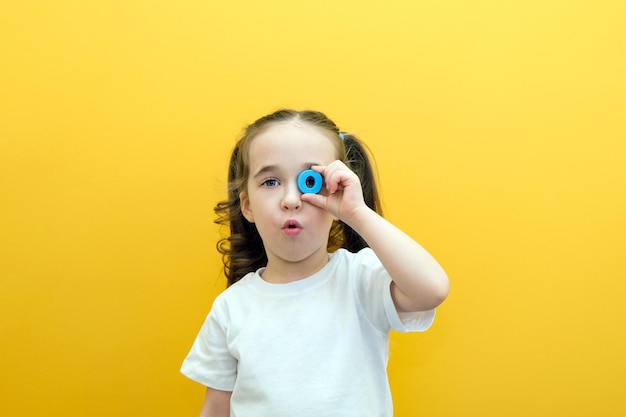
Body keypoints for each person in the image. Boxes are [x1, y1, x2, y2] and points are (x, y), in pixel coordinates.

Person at [181, 109, 449, 417]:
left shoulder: (360, 280)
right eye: (270, 182)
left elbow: (433, 289)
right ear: (247, 205)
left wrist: (356, 213)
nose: (291, 199)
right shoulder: (231, 307)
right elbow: (216, 410)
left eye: (309, 180)